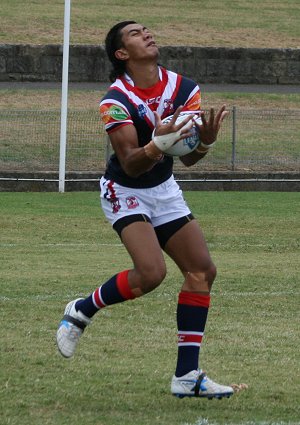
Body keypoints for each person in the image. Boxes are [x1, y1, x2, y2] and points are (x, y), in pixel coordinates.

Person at [56, 20, 234, 400]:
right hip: (125, 189)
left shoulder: (184, 89)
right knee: (152, 273)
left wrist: (203, 143)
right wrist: (160, 142)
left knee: (202, 271)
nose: (147, 34)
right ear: (122, 54)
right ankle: (82, 309)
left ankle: (187, 376)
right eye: (135, 33)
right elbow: (131, 162)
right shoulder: (115, 100)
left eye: (146, 30)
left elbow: (187, 161)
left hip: (164, 188)